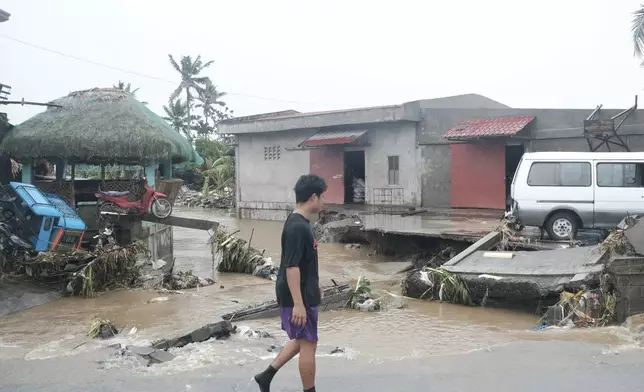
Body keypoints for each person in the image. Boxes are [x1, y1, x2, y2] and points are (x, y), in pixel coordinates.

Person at [253, 174, 327, 392]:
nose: (324, 202)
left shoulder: (301, 223)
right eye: (322, 197)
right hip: (297, 295)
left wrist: (315, 285)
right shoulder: (297, 227)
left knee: (302, 338)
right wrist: (299, 303)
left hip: (305, 291)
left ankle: (266, 376)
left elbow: (305, 263)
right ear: (313, 197)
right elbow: (291, 267)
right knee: (309, 344)